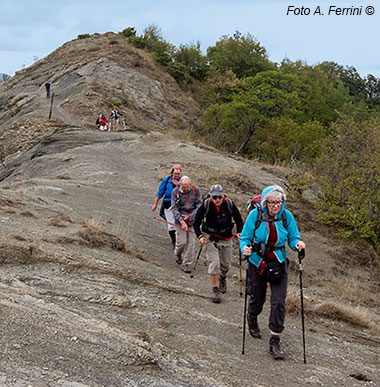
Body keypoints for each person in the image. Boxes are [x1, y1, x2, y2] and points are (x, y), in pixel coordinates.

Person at [240, 185, 306, 360]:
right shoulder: (255, 215)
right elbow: (245, 237)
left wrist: (298, 244)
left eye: (279, 202)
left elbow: (293, 237)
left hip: (278, 261)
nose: (276, 206)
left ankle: (274, 340)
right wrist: (245, 249)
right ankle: (252, 317)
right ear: (265, 202)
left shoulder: (286, 216)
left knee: (278, 302)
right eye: (272, 202)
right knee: (258, 298)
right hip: (258, 261)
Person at [194, 184, 244, 303]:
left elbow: (239, 220)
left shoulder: (229, 204)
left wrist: (240, 232)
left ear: (223, 195)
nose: (217, 200)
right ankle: (215, 290)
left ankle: (223, 278)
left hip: (226, 238)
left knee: (226, 265)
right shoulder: (206, 204)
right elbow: (196, 223)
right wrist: (200, 236)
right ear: (211, 196)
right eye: (214, 197)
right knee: (214, 264)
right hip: (210, 238)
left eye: (219, 197)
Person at [171, 176, 202, 273]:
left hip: (192, 220)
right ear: (180, 185)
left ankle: (186, 264)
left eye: (187, 187)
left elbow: (199, 206)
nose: (185, 189)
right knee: (182, 242)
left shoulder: (196, 190)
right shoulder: (175, 192)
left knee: (191, 243)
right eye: (183, 187)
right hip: (180, 220)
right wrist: (181, 220)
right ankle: (177, 254)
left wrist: (190, 216)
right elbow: (174, 208)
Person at [152, 165, 182, 248]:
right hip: (167, 204)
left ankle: (179, 240)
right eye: (175, 173)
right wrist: (155, 204)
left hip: (179, 205)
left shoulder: (182, 181)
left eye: (178, 174)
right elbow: (160, 193)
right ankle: (174, 242)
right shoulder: (166, 181)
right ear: (172, 173)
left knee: (179, 222)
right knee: (171, 224)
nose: (177, 175)